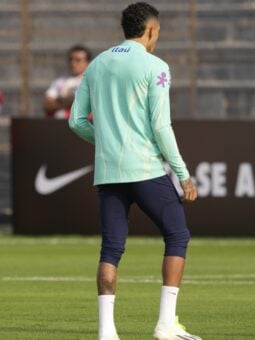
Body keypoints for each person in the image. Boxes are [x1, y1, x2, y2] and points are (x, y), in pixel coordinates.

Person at [69, 3, 201, 340]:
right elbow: (161, 125)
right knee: (177, 234)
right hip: (144, 168)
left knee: (111, 248)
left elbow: (75, 120)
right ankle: (165, 324)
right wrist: (183, 174)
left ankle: (106, 332)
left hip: (109, 171)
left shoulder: (96, 64)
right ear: (152, 30)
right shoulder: (155, 65)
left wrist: (108, 142)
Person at [43, 44, 92, 119]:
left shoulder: (92, 81)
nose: (73, 63)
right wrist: (68, 102)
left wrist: (58, 102)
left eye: (78, 60)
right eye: (70, 59)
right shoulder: (59, 81)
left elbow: (83, 102)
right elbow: (47, 105)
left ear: (88, 62)